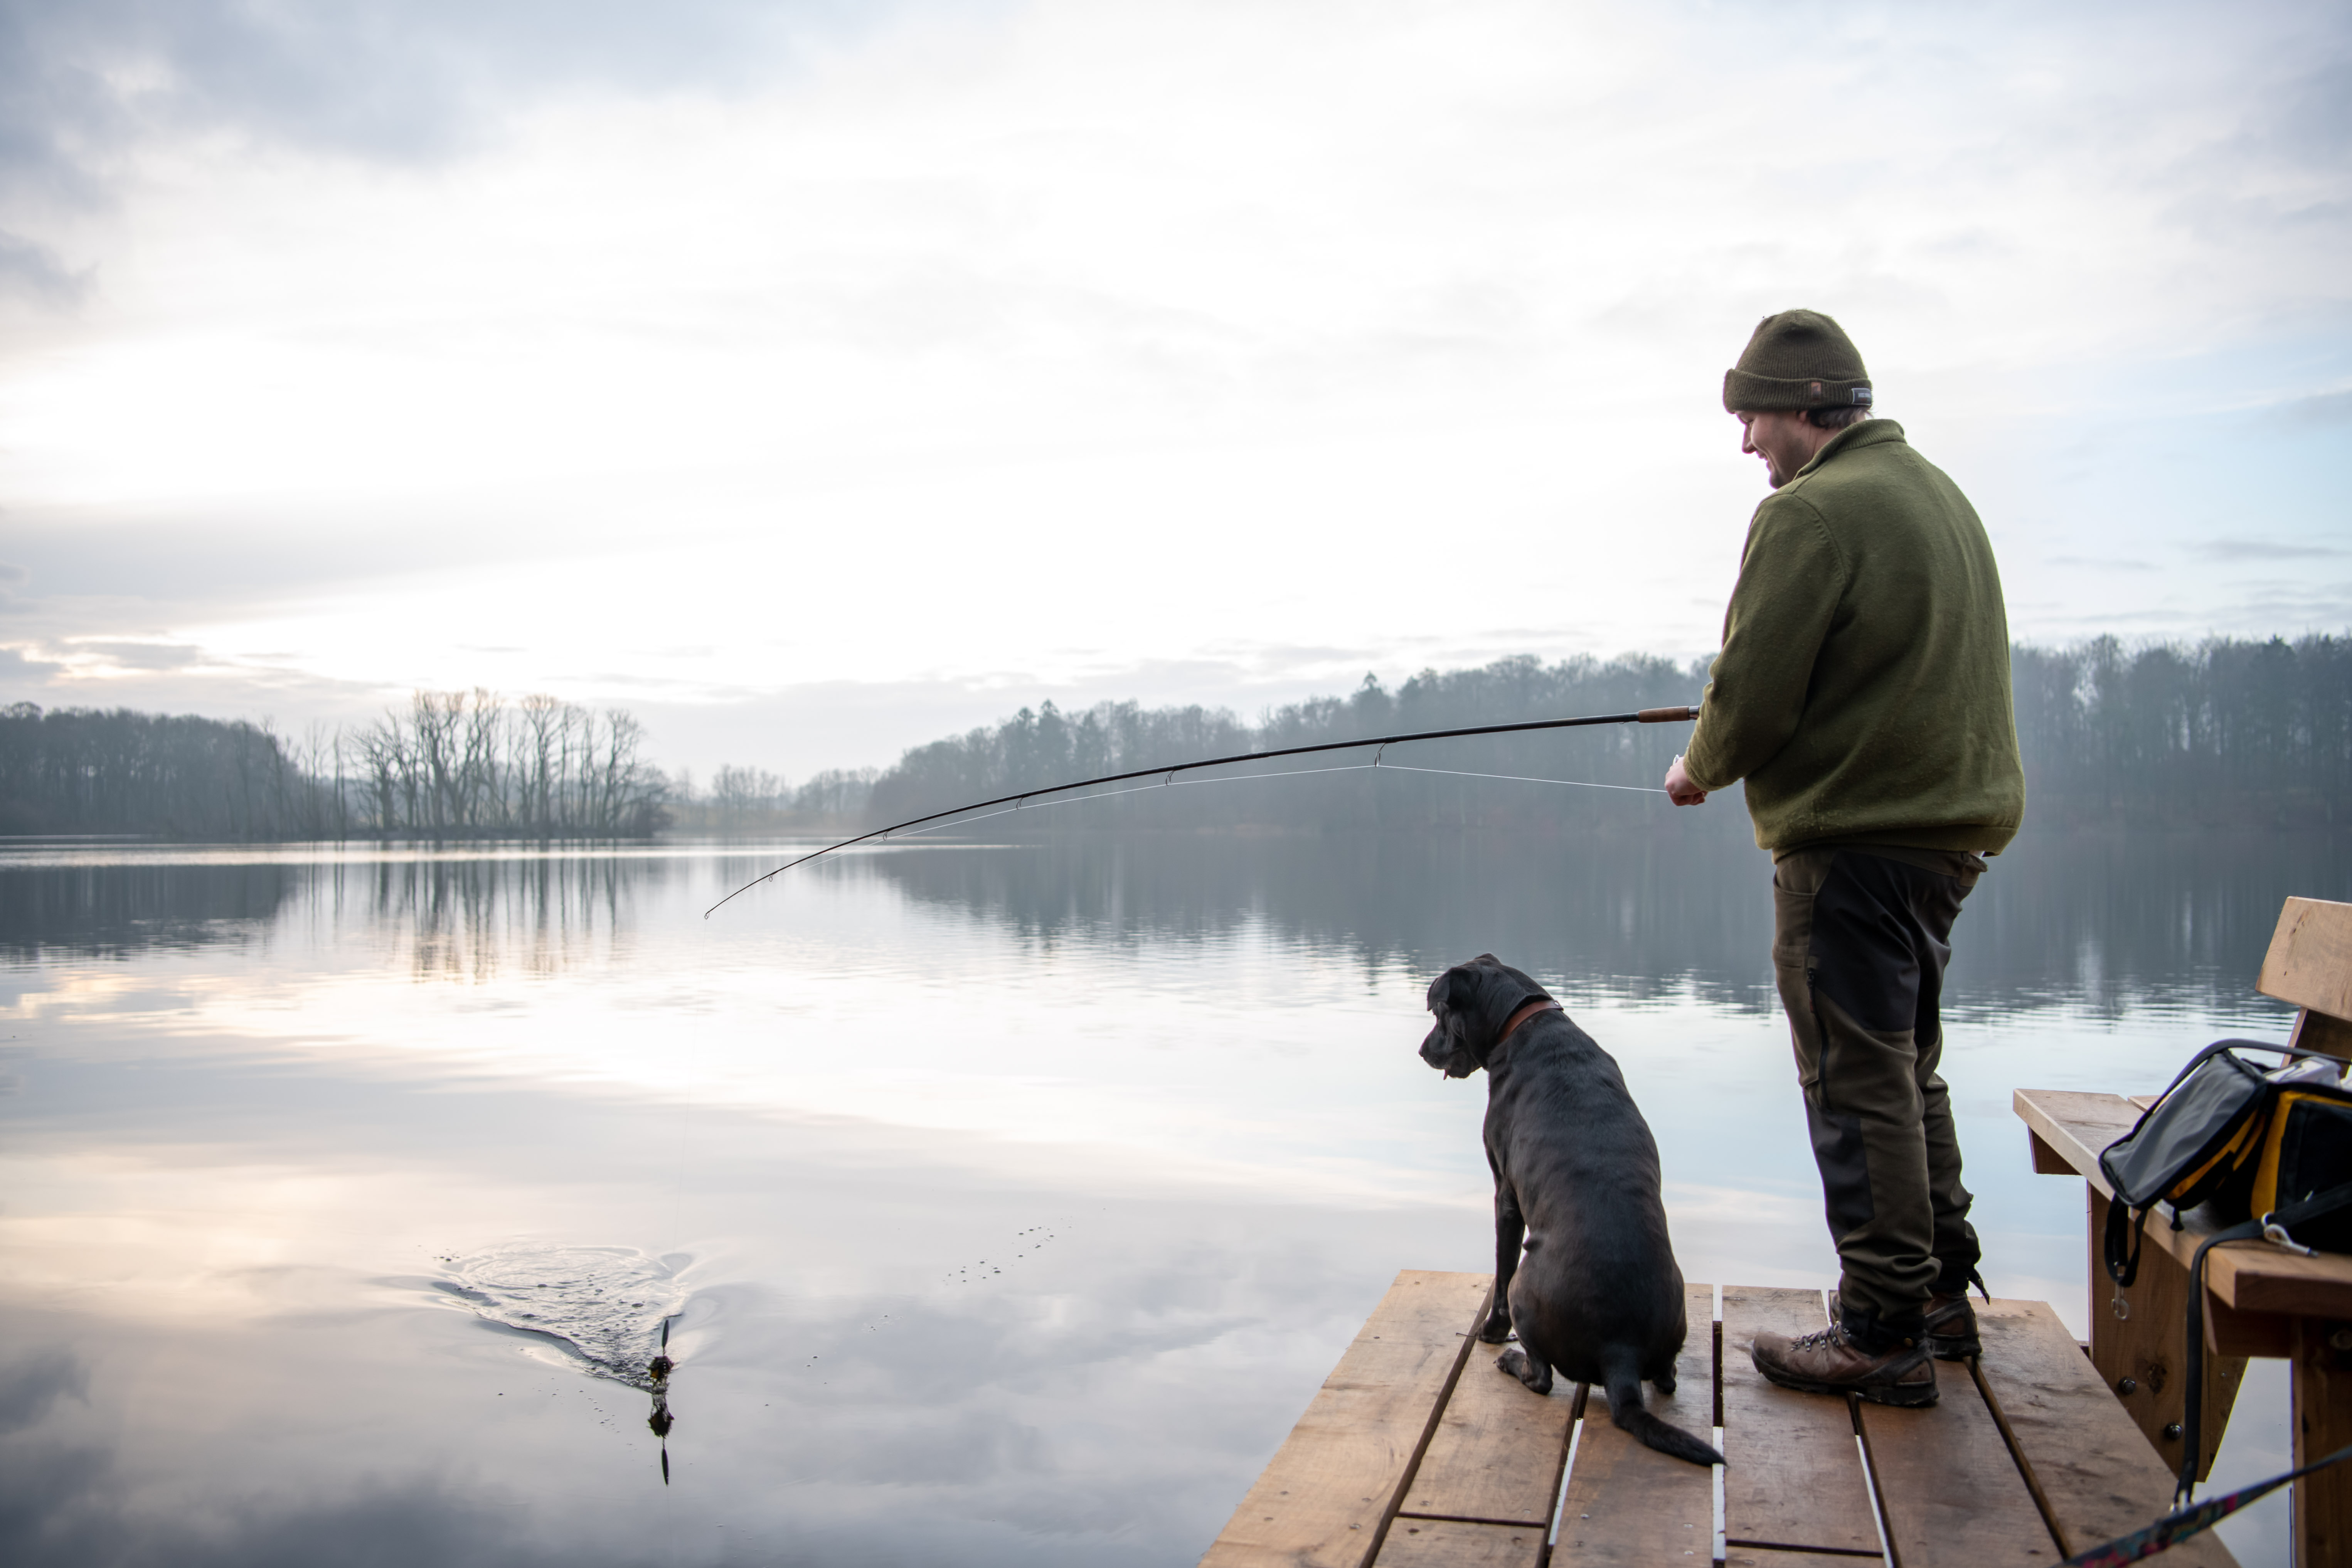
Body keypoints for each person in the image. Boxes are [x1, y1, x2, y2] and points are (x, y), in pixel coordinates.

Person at [1662, 309, 2025, 1408]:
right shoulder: (1937, 495)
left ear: (1808, 409)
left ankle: (1878, 1329)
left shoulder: (1811, 513)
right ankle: (1938, 1298)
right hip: (1943, 839)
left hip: (1855, 844)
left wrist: (1699, 767)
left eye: (1755, 417)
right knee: (1905, 1065)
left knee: (1852, 1077)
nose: (1747, 445)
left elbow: (1755, 685)